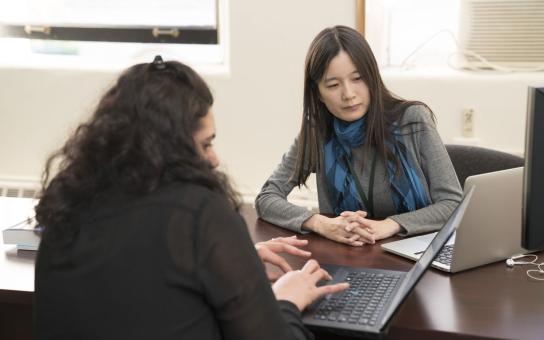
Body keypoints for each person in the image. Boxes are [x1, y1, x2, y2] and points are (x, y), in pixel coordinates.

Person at [33, 56, 348, 340]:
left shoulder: (68, 205)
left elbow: (139, 275)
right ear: (172, 148)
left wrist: (233, 256)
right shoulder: (201, 214)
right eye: (205, 144)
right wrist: (287, 301)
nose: (213, 159)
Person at [255, 26, 462, 247]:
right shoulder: (317, 132)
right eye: (333, 85)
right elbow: (267, 198)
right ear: (318, 94)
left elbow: (453, 203)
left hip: (417, 254)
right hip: (350, 254)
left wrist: (391, 224)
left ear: (372, 78)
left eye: (357, 79)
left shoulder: (412, 120)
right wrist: (320, 223)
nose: (348, 94)